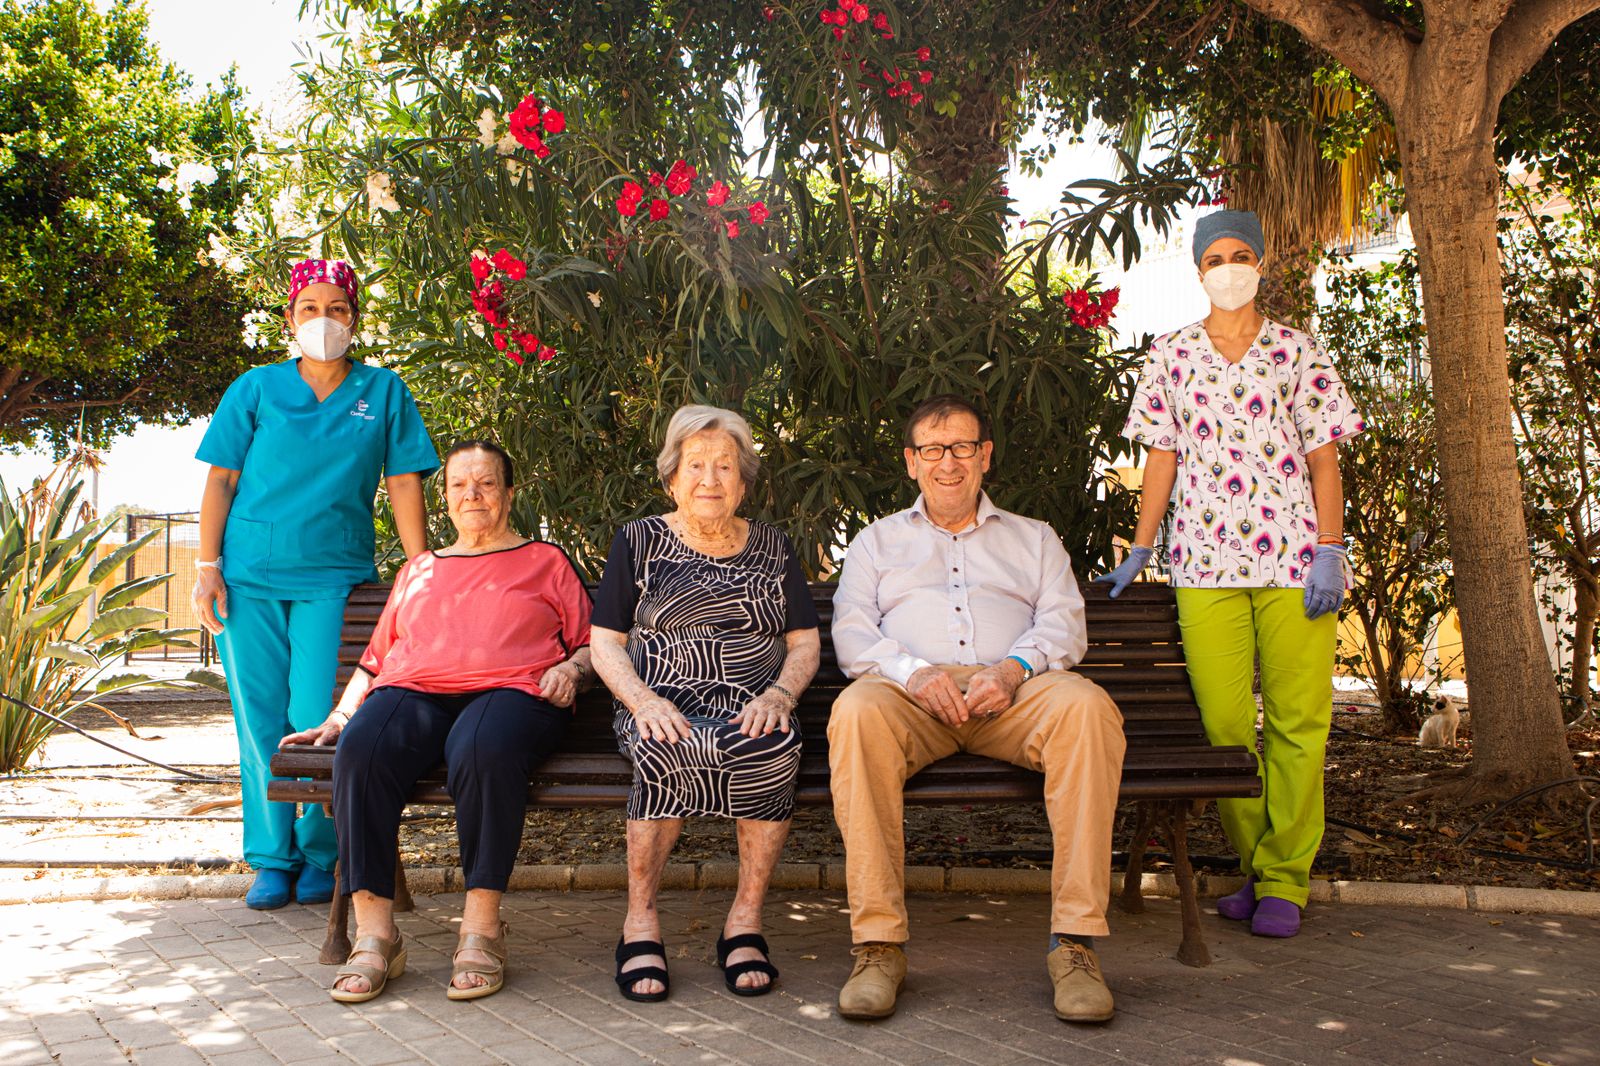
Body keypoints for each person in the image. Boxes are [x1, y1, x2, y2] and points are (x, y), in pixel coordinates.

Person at [1099, 209, 1364, 938]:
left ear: (1262, 261)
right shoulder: (1171, 354)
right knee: (1223, 727)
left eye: (1240, 253)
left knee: (1299, 724)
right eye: (1215, 257)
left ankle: (1286, 877)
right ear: (1198, 272)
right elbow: (1161, 455)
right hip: (1203, 563)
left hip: (1292, 563)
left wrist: (1330, 548)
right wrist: (1143, 546)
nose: (1229, 266)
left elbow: (1323, 459)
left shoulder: (1296, 351)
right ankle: (1255, 863)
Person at [830, 395, 1126, 1024]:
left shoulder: (1033, 538)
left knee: (1086, 706)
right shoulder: (877, 542)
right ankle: (878, 945)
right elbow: (853, 634)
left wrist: (1014, 669)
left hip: (1012, 694)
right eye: (932, 450)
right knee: (855, 713)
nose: (948, 463)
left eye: (962, 447)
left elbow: (1065, 626)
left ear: (984, 456)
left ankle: (1074, 945)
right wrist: (913, 673)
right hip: (912, 697)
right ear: (912, 462)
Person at [281, 441, 595, 1003]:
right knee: (361, 750)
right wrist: (340, 715)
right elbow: (376, 660)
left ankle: (481, 930)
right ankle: (377, 937)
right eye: (459, 485)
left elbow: (595, 643)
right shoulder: (419, 568)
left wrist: (572, 669)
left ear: (509, 493)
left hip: (514, 692)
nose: (472, 494)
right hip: (415, 691)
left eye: (487, 483)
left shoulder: (545, 561)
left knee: (481, 745)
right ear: (444, 498)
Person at [193, 259, 437, 911]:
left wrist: (420, 572)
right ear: (289, 319)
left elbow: (405, 482)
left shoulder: (384, 392)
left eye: (337, 309)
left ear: (354, 320)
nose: (322, 320)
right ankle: (273, 859)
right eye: (310, 309)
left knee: (319, 720)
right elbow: (220, 480)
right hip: (248, 577)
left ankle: (323, 856)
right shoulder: (255, 389)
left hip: (335, 579)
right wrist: (205, 565)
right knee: (260, 721)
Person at [590, 405, 821, 1002]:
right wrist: (642, 701)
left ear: (744, 482)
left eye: (725, 466)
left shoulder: (773, 545)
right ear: (672, 478)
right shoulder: (638, 540)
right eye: (696, 465)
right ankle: (639, 920)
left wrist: (781, 694)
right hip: (658, 704)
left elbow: (804, 642)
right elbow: (605, 642)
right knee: (665, 745)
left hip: (753, 704)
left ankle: (744, 921)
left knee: (773, 745)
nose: (711, 480)